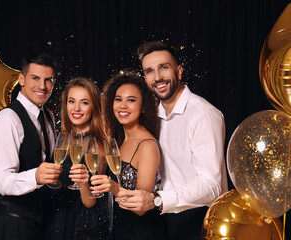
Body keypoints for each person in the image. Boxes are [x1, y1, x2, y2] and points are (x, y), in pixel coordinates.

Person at [116, 41, 228, 239]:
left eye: (164, 68)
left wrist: (158, 200)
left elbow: (212, 185)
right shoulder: (153, 116)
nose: (157, 77)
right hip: (161, 221)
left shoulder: (202, 115)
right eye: (149, 71)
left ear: (179, 71)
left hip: (197, 221)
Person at [0, 49, 61, 240]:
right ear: (22, 79)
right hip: (12, 226)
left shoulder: (48, 117)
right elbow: (1, 181)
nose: (42, 86)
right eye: (35, 78)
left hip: (40, 224)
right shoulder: (8, 119)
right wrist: (35, 176)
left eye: (48, 80)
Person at [90, 71, 165, 239]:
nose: (122, 106)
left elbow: (141, 208)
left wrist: (113, 187)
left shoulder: (147, 145)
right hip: (117, 228)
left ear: (144, 107)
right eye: (118, 99)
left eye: (131, 100)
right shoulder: (118, 139)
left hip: (141, 232)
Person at [46, 77, 112, 240]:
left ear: (94, 107)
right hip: (57, 224)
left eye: (84, 102)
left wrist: (83, 184)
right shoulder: (61, 140)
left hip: (86, 229)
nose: (76, 108)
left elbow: (92, 204)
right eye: (71, 101)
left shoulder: (102, 146)